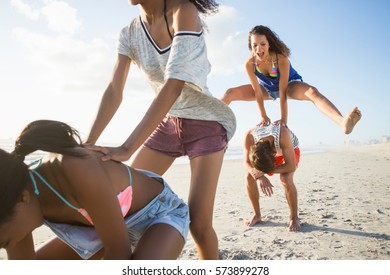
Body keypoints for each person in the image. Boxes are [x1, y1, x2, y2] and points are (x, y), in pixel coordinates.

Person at [85, 0, 236, 260]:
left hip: (206, 123)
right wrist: (88, 143)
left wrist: (126, 148)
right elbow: (113, 91)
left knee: (198, 223)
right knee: (124, 202)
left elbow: (173, 85)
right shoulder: (129, 33)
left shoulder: (183, 12)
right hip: (167, 123)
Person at [0, 120, 189, 260]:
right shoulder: (14, 202)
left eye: (4, 243)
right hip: (104, 231)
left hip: (158, 215)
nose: (4, 246)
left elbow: (119, 252)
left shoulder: (73, 168)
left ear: (23, 199)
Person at [222, 25, 361, 133]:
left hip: (289, 85)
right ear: (251, 47)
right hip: (266, 90)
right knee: (230, 93)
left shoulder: (281, 59)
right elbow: (257, 92)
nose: (259, 48)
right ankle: (207, 122)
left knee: (312, 92)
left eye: (262, 44)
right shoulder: (250, 64)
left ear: (269, 44)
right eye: (254, 45)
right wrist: (263, 115)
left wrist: (283, 119)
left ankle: (342, 122)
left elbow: (282, 92)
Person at [243, 122, 300, 232]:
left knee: (286, 178)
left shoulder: (282, 134)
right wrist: (259, 176)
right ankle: (257, 215)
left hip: (289, 151)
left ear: (273, 151)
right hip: (266, 154)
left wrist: (264, 171)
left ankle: (294, 217)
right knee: (249, 177)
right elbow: (246, 162)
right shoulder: (249, 137)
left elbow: (291, 166)